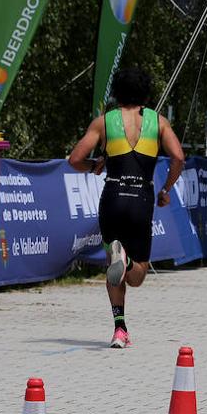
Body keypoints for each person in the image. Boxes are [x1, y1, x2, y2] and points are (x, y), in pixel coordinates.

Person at [67, 68, 184, 348]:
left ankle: (120, 329)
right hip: (140, 199)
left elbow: (74, 159)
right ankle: (128, 262)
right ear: (145, 94)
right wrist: (166, 189)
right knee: (138, 274)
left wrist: (93, 166)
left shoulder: (103, 123)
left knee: (112, 265)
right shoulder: (160, 123)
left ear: (117, 93)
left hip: (113, 197)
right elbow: (178, 157)